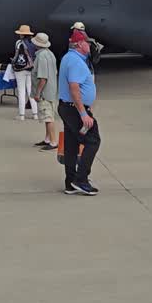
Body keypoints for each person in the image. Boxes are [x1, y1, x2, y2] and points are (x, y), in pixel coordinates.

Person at [58, 31, 100, 195]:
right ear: (78, 44)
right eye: (87, 43)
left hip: (67, 107)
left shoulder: (70, 58)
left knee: (71, 144)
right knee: (93, 140)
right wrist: (83, 113)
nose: (89, 45)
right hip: (75, 109)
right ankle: (81, 179)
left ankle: (70, 181)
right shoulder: (75, 61)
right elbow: (74, 88)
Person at [30, 33, 58, 150]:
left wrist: (38, 93)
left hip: (44, 92)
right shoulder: (50, 54)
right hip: (51, 90)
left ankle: (53, 142)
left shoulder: (41, 57)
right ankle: (47, 139)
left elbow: (43, 77)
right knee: (48, 116)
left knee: (48, 117)